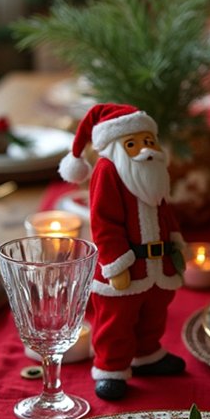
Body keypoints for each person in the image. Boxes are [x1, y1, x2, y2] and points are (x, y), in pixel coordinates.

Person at [59, 103, 186, 400]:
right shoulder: (107, 170)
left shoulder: (154, 174)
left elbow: (165, 213)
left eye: (149, 141)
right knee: (116, 322)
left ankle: (147, 355)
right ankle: (111, 369)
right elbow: (103, 221)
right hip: (125, 269)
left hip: (159, 265)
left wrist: (178, 245)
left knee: (153, 314)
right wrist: (116, 265)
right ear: (116, 146)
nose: (146, 149)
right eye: (133, 144)